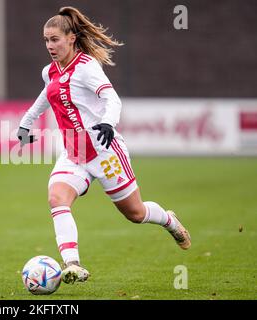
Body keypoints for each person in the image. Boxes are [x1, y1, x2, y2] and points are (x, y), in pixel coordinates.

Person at [17, 7, 191, 285]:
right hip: (73, 154)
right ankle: (72, 264)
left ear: (71, 38)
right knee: (56, 199)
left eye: (55, 39)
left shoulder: (86, 67)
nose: (50, 46)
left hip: (104, 151)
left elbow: (112, 99)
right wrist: (26, 124)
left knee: (136, 213)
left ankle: (168, 220)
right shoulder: (49, 71)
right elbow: (45, 97)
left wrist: (108, 122)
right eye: (46, 40)